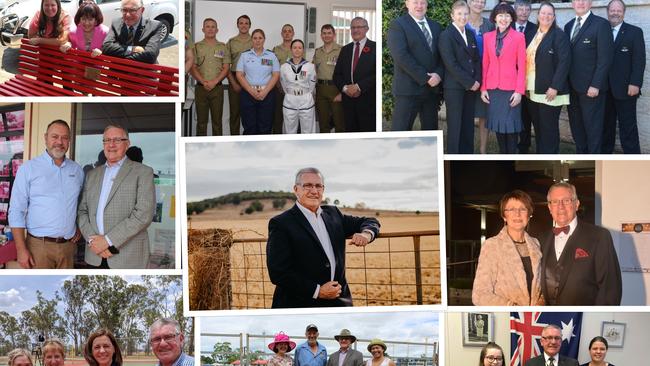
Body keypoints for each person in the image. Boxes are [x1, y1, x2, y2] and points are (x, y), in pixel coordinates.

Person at [266, 167, 380, 308]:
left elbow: (370, 221)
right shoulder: (281, 223)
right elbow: (278, 272)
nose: (314, 191)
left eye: (318, 186)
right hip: (299, 304)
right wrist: (318, 291)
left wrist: (366, 234)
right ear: (296, 189)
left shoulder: (334, 214)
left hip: (339, 302)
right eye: (307, 185)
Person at [77, 124, 155, 269]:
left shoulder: (143, 172)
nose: (111, 145)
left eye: (117, 140)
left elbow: (143, 215)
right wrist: (93, 242)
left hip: (127, 258)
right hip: (94, 256)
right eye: (107, 140)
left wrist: (107, 241)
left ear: (127, 144)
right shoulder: (92, 175)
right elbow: (82, 212)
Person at [8, 120, 83, 269]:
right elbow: (16, 210)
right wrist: (21, 249)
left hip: (68, 247)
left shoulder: (77, 170)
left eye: (64, 137)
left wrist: (80, 227)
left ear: (69, 140)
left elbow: (81, 204)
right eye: (55, 137)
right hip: (38, 247)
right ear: (45, 138)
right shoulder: (29, 169)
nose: (59, 142)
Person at [541, 182, 622, 305]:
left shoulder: (599, 236)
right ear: (549, 207)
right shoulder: (540, 239)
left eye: (566, 200)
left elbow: (609, 290)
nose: (561, 206)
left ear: (576, 204)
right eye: (555, 202)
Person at [473, 190, 544, 305]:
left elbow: (541, 285)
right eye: (511, 209)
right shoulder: (492, 246)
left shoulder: (536, 244)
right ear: (504, 216)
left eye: (522, 209)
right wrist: (511, 307)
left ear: (529, 215)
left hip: (533, 318)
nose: (517, 214)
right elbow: (479, 295)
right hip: (510, 317)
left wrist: (541, 302)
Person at [564, 0, 614, 154]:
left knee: (593, 130)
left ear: (590, 3)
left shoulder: (601, 25)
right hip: (571, 89)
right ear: (572, 3)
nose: (580, 3)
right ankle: (582, 155)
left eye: (584, 0)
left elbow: (605, 59)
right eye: (576, 0)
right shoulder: (568, 25)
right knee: (577, 129)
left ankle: (595, 160)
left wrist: (596, 85)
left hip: (591, 90)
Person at [387, 0, 443, 131]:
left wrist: (439, 75)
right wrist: (426, 77)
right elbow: (401, 56)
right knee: (400, 132)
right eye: (415, 2)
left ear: (427, 4)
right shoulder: (398, 25)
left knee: (430, 133)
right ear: (407, 4)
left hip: (431, 91)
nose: (419, 6)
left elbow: (443, 55)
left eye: (422, 2)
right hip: (408, 90)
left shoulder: (436, 26)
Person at [525, 1, 571, 154]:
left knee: (549, 129)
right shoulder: (533, 33)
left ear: (554, 17)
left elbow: (564, 63)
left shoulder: (559, 35)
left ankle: (551, 156)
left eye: (549, 13)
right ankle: (541, 155)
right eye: (543, 13)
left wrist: (555, 86)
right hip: (532, 90)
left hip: (549, 91)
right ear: (538, 15)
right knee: (538, 128)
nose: (546, 16)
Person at [481, 3, 526, 154]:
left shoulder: (519, 37)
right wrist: (483, 88)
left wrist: (519, 91)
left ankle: (511, 156)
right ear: (494, 18)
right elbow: (485, 64)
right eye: (500, 15)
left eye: (507, 15)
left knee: (511, 127)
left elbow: (522, 66)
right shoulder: (487, 37)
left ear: (511, 18)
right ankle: (503, 156)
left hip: (511, 90)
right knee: (499, 127)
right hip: (493, 89)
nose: (504, 19)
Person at [438, 0, 481, 154]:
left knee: (468, 125)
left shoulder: (470, 33)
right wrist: (470, 82)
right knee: (455, 126)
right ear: (452, 15)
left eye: (465, 13)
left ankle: (468, 156)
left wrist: (477, 80)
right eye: (459, 14)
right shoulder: (446, 35)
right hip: (455, 88)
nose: (463, 17)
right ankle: (454, 156)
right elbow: (451, 64)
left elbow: (476, 59)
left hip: (471, 87)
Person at [603, 0, 645, 154]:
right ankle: (605, 158)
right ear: (608, 12)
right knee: (606, 129)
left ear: (624, 12)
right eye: (612, 10)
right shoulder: (602, 30)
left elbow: (639, 60)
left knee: (628, 129)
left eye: (618, 10)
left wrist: (635, 83)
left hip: (627, 90)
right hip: (605, 90)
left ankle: (634, 160)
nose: (615, 13)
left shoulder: (635, 32)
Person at [333, 17, 376, 132]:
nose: (355, 30)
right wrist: (346, 88)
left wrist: (358, 87)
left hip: (368, 102)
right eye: (353, 27)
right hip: (348, 103)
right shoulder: (345, 49)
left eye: (359, 27)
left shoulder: (375, 48)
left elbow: (376, 74)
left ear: (366, 29)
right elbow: (337, 75)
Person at [191, 18, 231, 136]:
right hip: (200, 89)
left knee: (217, 123)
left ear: (217, 30)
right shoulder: (196, 47)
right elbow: (193, 67)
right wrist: (203, 82)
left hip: (217, 89)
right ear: (203, 29)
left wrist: (215, 81)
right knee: (201, 123)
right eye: (207, 26)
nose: (210, 29)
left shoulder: (223, 47)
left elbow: (226, 67)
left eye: (213, 27)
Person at [236, 29, 280, 135]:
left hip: (267, 94)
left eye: (260, 38)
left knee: (265, 126)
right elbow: (239, 74)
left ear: (264, 40)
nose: (257, 40)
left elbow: (276, 75)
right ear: (252, 40)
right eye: (255, 38)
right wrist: (251, 91)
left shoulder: (271, 56)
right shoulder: (244, 56)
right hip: (248, 94)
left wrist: (265, 92)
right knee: (249, 126)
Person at [467, 0, 494, 154]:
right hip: (467, 77)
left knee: (484, 114)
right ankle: (467, 147)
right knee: (468, 113)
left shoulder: (489, 25)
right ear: (469, 2)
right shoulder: (461, 21)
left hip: (485, 76)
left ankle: (483, 149)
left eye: (482, 1)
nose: (479, 4)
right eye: (475, 1)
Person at [512, 0, 538, 154]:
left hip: (528, 79)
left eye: (526, 9)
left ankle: (524, 145)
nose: (523, 12)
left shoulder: (536, 30)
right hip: (510, 79)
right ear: (515, 10)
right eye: (520, 9)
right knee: (514, 113)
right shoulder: (506, 28)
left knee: (527, 114)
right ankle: (511, 143)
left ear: (530, 11)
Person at [280, 39, 317, 134]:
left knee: (308, 130)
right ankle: (290, 148)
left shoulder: (310, 66)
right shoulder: (284, 67)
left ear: (303, 50)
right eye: (294, 47)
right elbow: (283, 84)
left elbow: (312, 85)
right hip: (290, 100)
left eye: (300, 48)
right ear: (291, 49)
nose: (297, 50)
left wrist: (304, 93)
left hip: (306, 100)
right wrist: (291, 93)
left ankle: (308, 148)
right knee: (289, 130)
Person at [313, 25, 344, 133]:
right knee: (323, 123)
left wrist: (342, 92)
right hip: (321, 90)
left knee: (339, 123)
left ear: (334, 35)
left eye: (329, 33)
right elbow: (314, 71)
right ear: (321, 35)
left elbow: (346, 72)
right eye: (324, 33)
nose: (326, 35)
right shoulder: (317, 52)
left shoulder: (342, 50)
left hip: (336, 89)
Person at [226, 15, 253, 135]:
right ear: (237, 25)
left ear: (250, 25)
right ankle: (234, 139)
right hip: (234, 79)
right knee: (234, 113)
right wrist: (233, 83)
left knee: (250, 112)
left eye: (246, 23)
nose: (243, 25)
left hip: (251, 79)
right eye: (241, 23)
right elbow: (225, 64)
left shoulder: (255, 40)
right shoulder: (231, 42)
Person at [273, 24, 295, 134]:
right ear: (282, 34)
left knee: (293, 118)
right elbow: (273, 69)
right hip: (278, 88)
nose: (287, 33)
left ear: (293, 34)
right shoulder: (275, 49)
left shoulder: (298, 48)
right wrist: (278, 85)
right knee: (277, 117)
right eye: (285, 31)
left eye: (289, 31)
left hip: (293, 90)